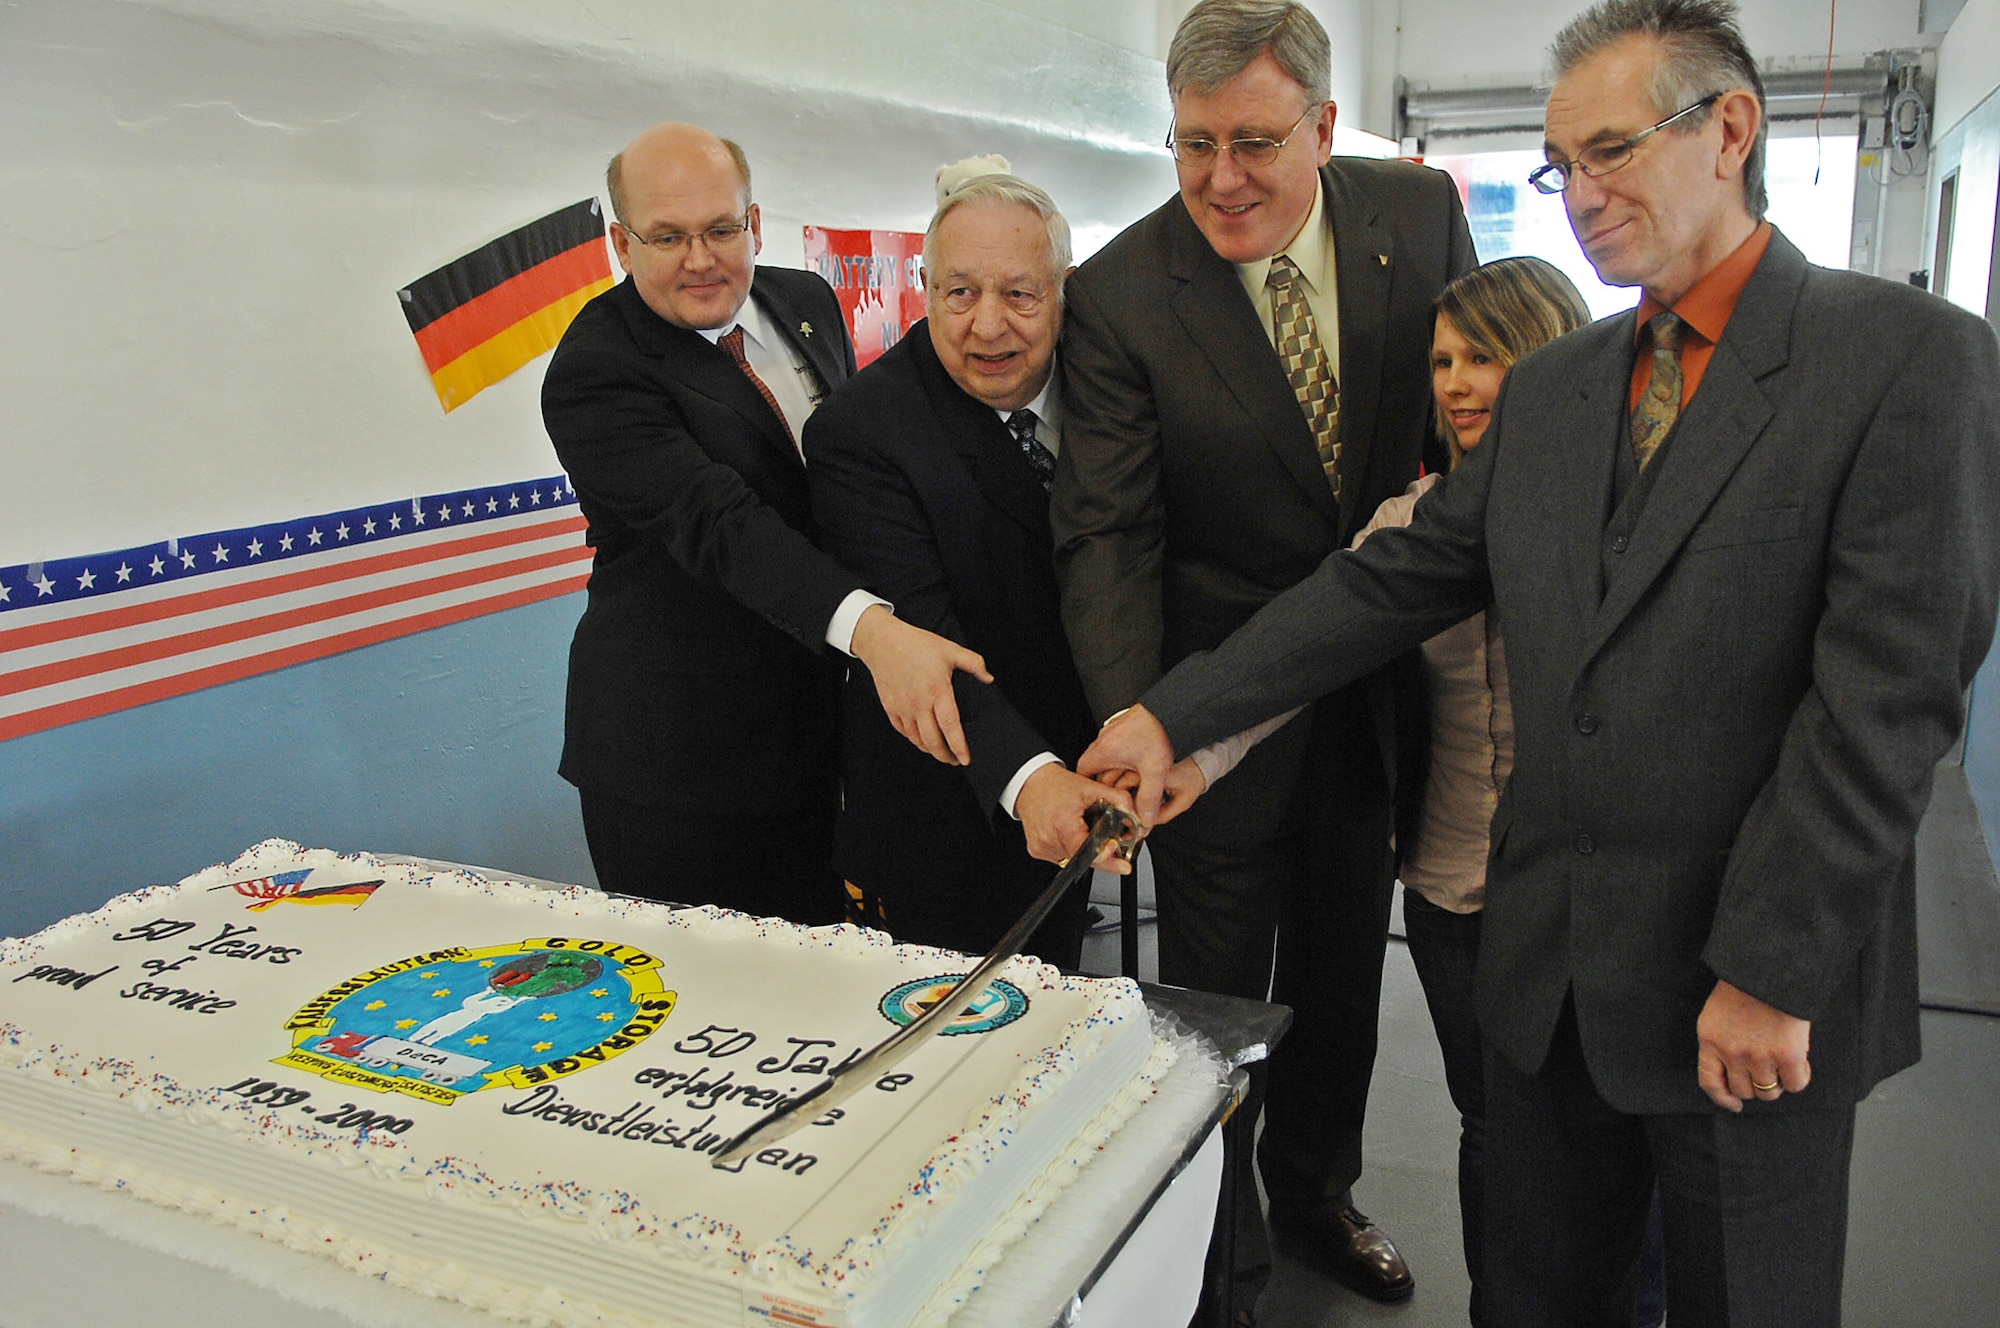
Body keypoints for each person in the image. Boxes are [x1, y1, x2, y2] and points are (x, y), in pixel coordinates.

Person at [1081, 1, 2000, 1323]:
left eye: (1613, 150)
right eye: (1561, 164)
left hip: (1744, 1001)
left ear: (1730, 128)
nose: (1580, 194)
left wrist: (1774, 967)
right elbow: (1381, 583)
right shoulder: (1562, 388)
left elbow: (1887, 702)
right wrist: (1172, 721)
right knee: (1533, 1298)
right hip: (1547, 985)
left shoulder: (1904, 362)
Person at [1050, 0, 1475, 1310]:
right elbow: (1109, 532)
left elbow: (1472, 433)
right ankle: (1216, 1237)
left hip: (1373, 700)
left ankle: (1319, 1200)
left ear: (1326, 128)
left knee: (1348, 976)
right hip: (1206, 713)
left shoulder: (1418, 220)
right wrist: (1140, 721)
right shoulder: (1122, 292)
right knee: (1215, 997)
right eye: (1192, 145)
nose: (1221, 179)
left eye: (1253, 142)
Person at [544, 123, 988, 924]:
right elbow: (726, 527)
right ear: (620, 242)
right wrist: (878, 633)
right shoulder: (596, 372)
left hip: (815, 743)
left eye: (721, 229)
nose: (701, 259)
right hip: (680, 767)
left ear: (754, 222)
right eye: (668, 237)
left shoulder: (805, 301)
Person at [803, 160, 1133, 966]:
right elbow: (925, 642)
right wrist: (1035, 781)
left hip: (1081, 793)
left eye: (1020, 294)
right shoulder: (861, 431)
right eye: (959, 293)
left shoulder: (1113, 389)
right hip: (943, 814)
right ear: (924, 287)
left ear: (1064, 289)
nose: (988, 327)